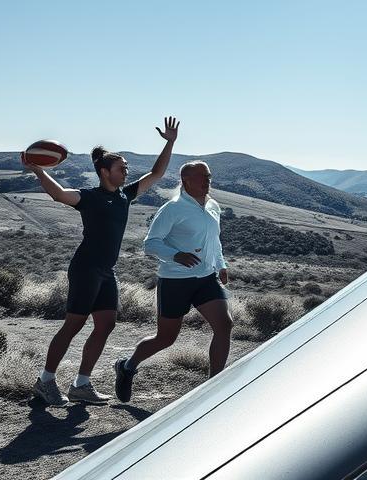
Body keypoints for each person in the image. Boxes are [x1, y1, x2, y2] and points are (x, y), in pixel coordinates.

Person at [23, 117, 179, 406]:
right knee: (73, 324)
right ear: (105, 171)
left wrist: (169, 142)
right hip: (85, 269)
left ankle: (81, 384)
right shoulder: (89, 197)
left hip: (107, 271)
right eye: (122, 168)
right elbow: (59, 195)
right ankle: (45, 380)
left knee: (106, 324)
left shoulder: (124, 195)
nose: (127, 171)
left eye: (127, 168)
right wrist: (39, 171)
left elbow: (156, 173)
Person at [115, 160, 231, 402]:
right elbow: (151, 243)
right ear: (186, 180)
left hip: (206, 278)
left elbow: (215, 240)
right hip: (176, 281)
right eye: (202, 177)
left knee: (224, 325)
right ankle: (127, 366)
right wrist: (175, 254)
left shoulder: (213, 206)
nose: (207, 181)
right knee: (166, 338)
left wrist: (221, 265)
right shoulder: (172, 209)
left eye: (209, 176)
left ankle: (213, 388)